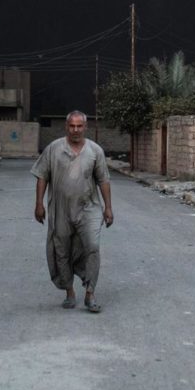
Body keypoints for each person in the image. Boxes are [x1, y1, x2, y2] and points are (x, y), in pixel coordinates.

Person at [31, 110, 113, 313]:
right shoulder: (53, 149)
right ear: (66, 127)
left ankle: (90, 293)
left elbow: (103, 179)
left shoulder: (95, 151)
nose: (75, 130)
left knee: (92, 246)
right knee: (62, 249)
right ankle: (69, 292)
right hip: (61, 209)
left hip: (89, 208)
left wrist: (108, 207)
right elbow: (42, 176)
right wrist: (39, 204)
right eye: (72, 126)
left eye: (79, 126)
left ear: (85, 127)